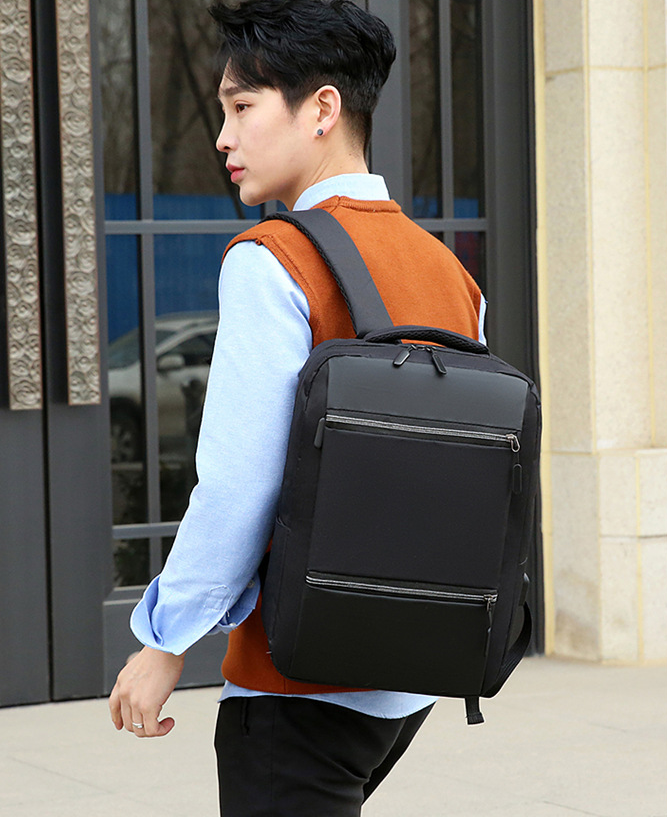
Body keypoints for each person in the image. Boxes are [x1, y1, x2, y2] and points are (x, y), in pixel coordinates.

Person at [109, 1, 486, 813]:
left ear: (322, 108)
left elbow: (240, 481)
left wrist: (164, 639)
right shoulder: (447, 272)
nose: (223, 137)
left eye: (242, 106)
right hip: (410, 677)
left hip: (298, 681)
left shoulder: (272, 258)